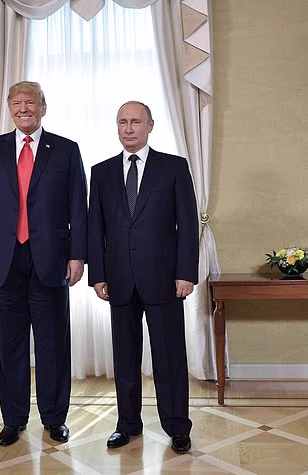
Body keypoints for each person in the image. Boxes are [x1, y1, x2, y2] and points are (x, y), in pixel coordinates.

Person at [0, 81, 88, 447]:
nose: (23, 109)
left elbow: (78, 208)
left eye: (30, 102)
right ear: (9, 109)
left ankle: (54, 418)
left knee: (53, 345)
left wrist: (78, 255)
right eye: (16, 103)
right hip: (3, 261)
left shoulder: (66, 150)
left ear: (43, 108)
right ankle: (13, 419)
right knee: (10, 345)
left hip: (51, 260)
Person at [87, 101, 198, 454]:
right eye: (122, 122)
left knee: (170, 357)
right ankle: (128, 424)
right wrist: (97, 274)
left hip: (164, 278)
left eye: (136, 121)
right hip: (119, 279)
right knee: (124, 358)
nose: (129, 128)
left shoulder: (174, 167)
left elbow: (187, 225)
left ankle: (177, 427)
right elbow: (95, 228)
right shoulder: (101, 172)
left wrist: (185, 273)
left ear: (150, 125)